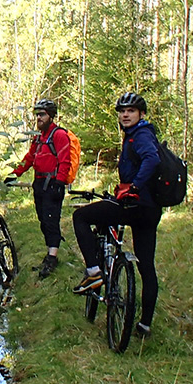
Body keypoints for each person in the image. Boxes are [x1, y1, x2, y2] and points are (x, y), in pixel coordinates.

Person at [71, 92, 163, 339]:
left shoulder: (140, 135)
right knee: (147, 266)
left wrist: (134, 187)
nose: (125, 115)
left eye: (131, 111)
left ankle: (94, 272)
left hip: (134, 206)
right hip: (150, 210)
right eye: (122, 111)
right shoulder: (141, 134)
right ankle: (145, 325)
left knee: (81, 218)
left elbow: (151, 160)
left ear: (141, 114)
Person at [6, 98, 72, 279]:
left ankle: (52, 257)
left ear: (51, 116)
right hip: (39, 183)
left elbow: (65, 161)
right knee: (43, 220)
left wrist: (60, 183)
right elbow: (29, 158)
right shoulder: (39, 137)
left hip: (53, 184)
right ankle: (50, 253)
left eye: (42, 114)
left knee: (51, 221)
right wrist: (14, 174)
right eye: (37, 115)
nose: (39, 118)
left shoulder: (59, 135)